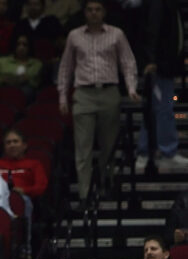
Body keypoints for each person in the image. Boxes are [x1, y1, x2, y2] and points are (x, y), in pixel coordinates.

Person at [57, 0, 140, 205]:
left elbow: (127, 62)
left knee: (109, 146)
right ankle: (85, 195)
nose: (94, 13)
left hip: (109, 91)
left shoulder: (116, 34)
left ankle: (106, 184)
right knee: (82, 148)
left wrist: (131, 88)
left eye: (98, 10)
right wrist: (62, 96)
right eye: (90, 10)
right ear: (85, 12)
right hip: (83, 93)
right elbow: (66, 67)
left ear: (104, 12)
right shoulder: (74, 35)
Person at [136, 0, 188, 168]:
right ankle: (163, 150)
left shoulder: (172, 5)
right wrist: (151, 61)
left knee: (158, 108)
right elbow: (152, 31)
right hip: (159, 67)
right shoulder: (159, 3)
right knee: (161, 108)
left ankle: (149, 151)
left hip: (166, 66)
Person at [0, 34, 42, 101]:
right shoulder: (1, 62)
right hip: (3, 90)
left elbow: (37, 84)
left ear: (30, 47)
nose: (21, 47)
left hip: (24, 94)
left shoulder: (36, 64)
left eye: (25, 45)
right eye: (18, 44)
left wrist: (27, 80)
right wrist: (2, 80)